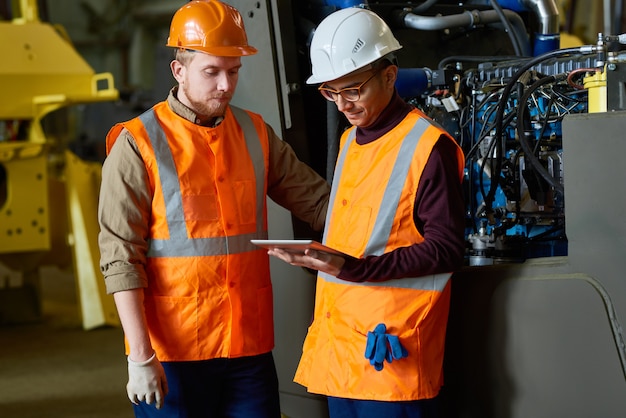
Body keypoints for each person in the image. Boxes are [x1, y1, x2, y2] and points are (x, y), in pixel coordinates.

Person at [97, 1, 330, 417]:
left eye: (234, 71)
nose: (226, 85)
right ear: (179, 70)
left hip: (247, 349)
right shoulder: (137, 144)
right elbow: (120, 258)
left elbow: (318, 203)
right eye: (212, 72)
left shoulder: (256, 134)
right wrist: (140, 357)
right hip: (173, 355)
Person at [267, 7, 465, 418]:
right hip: (343, 348)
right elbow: (359, 236)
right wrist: (320, 256)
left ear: (390, 75)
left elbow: (446, 249)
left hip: (393, 351)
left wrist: (353, 267)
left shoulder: (429, 147)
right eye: (330, 93)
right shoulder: (348, 143)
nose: (342, 104)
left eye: (352, 90)